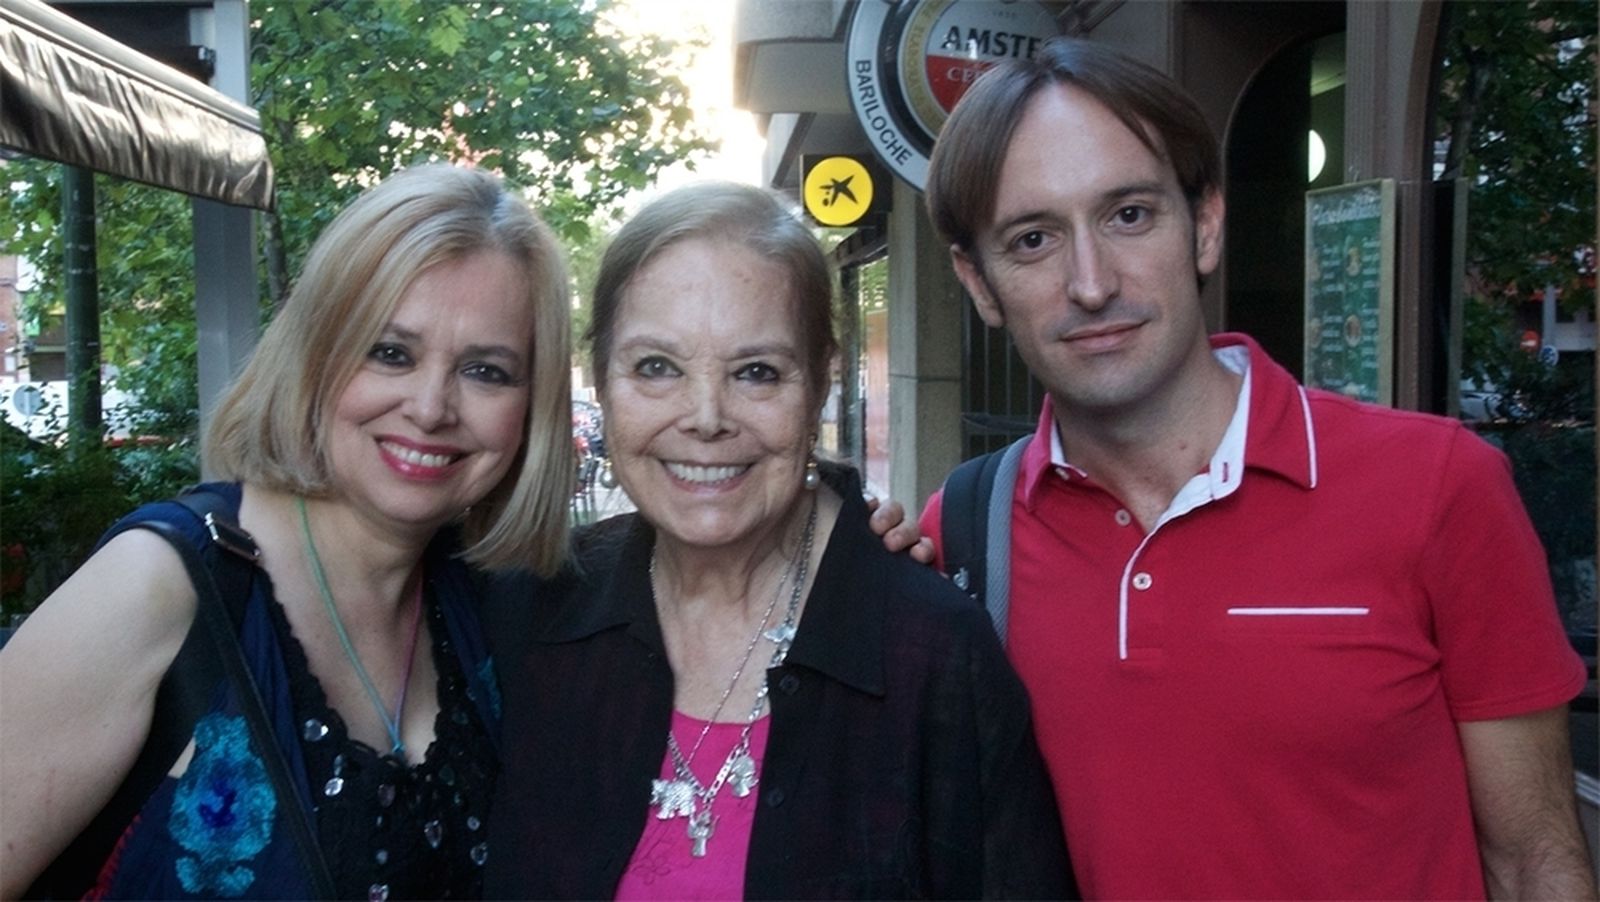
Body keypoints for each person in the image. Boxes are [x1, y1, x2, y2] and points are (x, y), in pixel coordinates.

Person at [919, 37, 1595, 900]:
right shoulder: (967, 535)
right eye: (1033, 238)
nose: (1091, 283)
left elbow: (1537, 859)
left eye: (1129, 215)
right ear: (979, 284)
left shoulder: (1437, 487)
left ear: (1203, 224)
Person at [483, 181, 1073, 899]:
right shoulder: (534, 610)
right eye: (657, 367)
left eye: (756, 372)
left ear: (822, 381)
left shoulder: (933, 656)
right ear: (601, 379)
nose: (705, 418)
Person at [0, 164, 574, 900]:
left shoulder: (484, 611)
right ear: (316, 354)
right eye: (390, 352)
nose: (432, 406)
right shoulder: (157, 589)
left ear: (532, 408)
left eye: (486, 371)